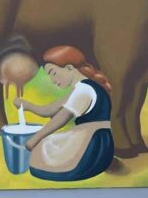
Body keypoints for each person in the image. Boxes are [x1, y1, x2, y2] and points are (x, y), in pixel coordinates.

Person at [14, 45, 115, 181]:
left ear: (69, 68)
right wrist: (26, 105)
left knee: (39, 153)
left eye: (53, 73)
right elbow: (49, 110)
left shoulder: (83, 90)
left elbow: (61, 119)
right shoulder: (82, 88)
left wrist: (34, 140)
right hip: (99, 142)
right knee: (46, 145)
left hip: (91, 145)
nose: (52, 80)